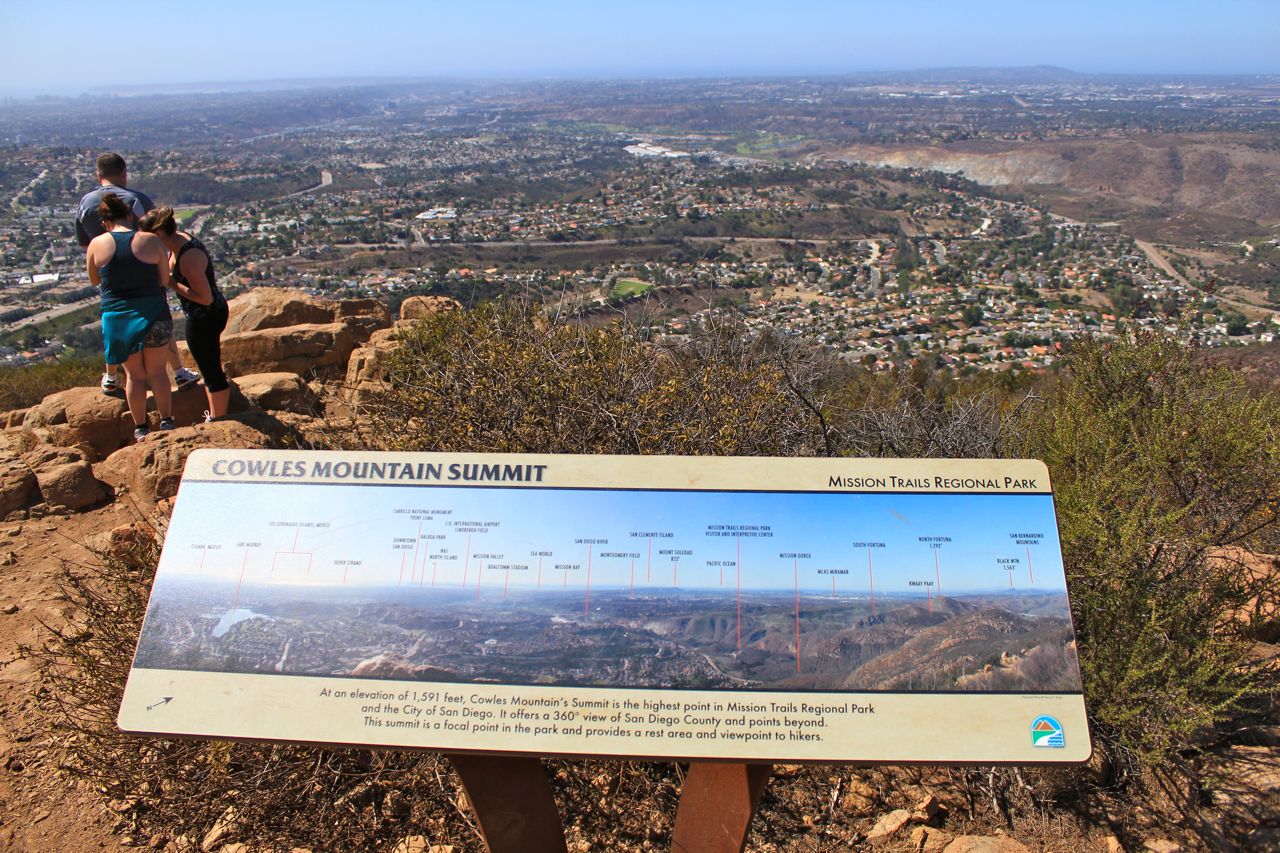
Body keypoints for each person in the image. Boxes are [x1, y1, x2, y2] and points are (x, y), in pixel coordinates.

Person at [75, 152, 200, 394]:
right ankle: (178, 372)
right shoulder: (136, 199)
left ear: (98, 175)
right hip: (146, 278)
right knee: (158, 320)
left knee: (113, 326)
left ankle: (111, 377)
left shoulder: (85, 203)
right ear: (124, 173)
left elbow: (85, 245)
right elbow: (158, 236)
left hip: (110, 277)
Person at [85, 193, 175, 442]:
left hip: (118, 319)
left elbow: (95, 280)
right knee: (157, 371)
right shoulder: (151, 241)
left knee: (134, 376)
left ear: (105, 223)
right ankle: (167, 422)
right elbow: (164, 280)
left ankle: (141, 428)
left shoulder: (97, 244)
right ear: (130, 216)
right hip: (154, 315)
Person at [140, 206, 231, 421]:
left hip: (204, 316)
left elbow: (205, 297)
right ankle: (217, 415)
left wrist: (171, 282)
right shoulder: (179, 240)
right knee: (209, 367)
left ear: (160, 234)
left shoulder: (188, 258)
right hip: (208, 313)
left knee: (211, 370)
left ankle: (220, 420)